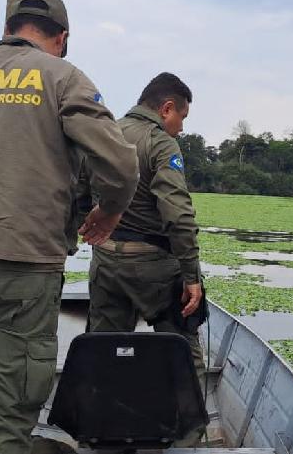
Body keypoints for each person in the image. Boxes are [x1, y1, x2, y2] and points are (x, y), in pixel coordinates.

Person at [0, 0, 139, 454]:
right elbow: (121, 164)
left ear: (7, 29)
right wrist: (109, 209)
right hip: (22, 259)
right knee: (11, 403)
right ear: (61, 38)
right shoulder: (64, 77)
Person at [87, 72, 205, 376]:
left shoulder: (105, 134)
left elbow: (77, 190)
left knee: (103, 350)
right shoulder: (162, 144)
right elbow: (178, 215)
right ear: (166, 109)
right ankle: (190, 423)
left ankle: (102, 420)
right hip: (152, 266)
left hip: (104, 258)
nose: (181, 128)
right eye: (182, 117)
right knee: (182, 350)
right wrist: (191, 275)